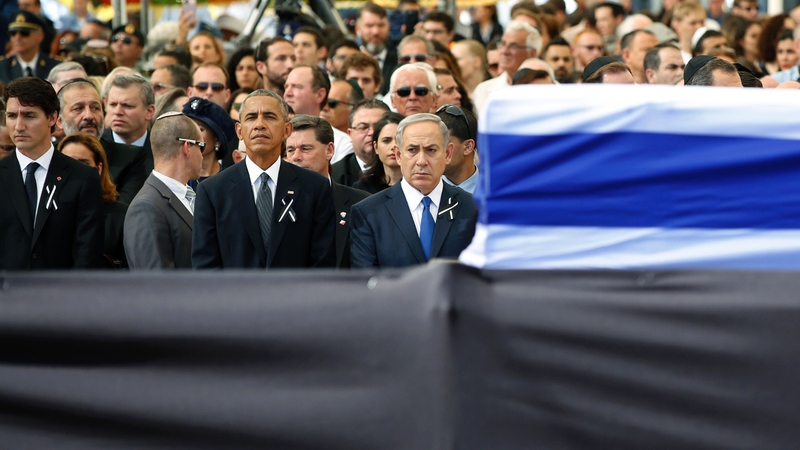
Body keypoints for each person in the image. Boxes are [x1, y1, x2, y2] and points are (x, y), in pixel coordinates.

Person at [192, 90, 337, 269]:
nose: (259, 124)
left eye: (269, 117)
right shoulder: (212, 191)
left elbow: (322, 264)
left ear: (287, 130)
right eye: (252, 117)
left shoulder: (315, 187)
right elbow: (206, 265)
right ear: (239, 130)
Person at [0, 77, 104, 270]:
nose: (18, 126)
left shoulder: (83, 178)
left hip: (62, 295)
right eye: (12, 116)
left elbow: (87, 255)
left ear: (52, 118)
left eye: (29, 116)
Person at [350, 114, 477, 268]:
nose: (421, 161)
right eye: (412, 150)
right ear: (398, 155)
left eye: (431, 150)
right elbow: (366, 280)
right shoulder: (369, 213)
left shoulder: (473, 208)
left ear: (448, 154)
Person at [286, 114, 369, 268]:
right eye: (290, 150)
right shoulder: (276, 203)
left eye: (305, 148)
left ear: (329, 150)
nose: (296, 157)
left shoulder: (361, 204)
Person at [124, 112, 203, 269]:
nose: (202, 155)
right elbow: (154, 284)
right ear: (187, 147)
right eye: (201, 147)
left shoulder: (196, 194)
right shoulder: (146, 208)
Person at [57, 78, 148, 205]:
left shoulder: (129, 158)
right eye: (78, 108)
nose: (89, 115)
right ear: (59, 120)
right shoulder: (48, 157)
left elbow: (122, 214)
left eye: (95, 108)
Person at [58, 132, 128, 268]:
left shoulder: (122, 216)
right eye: (68, 163)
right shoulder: (44, 211)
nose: (75, 170)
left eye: (83, 164)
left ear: (99, 169)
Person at [284, 64, 354, 164]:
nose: (287, 93)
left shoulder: (342, 145)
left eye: (297, 87)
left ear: (320, 95)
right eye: (286, 87)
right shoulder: (275, 135)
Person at [472, 21, 541, 113]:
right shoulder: (483, 91)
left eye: (514, 46)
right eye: (503, 44)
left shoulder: (550, 90)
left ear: (532, 53)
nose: (504, 51)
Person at [103, 74, 156, 172]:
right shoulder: (93, 149)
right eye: (113, 104)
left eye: (127, 106)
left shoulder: (162, 153)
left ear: (149, 111)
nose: (118, 112)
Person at [333, 99, 390, 187]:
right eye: (363, 127)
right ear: (350, 134)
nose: (371, 132)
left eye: (379, 126)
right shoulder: (334, 176)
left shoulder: (404, 170)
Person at [182, 97, 237, 184]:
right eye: (189, 127)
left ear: (218, 140)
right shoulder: (177, 178)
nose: (191, 134)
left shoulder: (231, 181)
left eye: (200, 129)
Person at [0, 11, 61, 86]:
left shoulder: (55, 66)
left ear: (40, 36)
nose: (17, 37)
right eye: (13, 33)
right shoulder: (2, 68)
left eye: (24, 33)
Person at [353, 111, 404, 194]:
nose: (394, 146)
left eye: (399, 140)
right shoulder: (361, 188)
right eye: (386, 141)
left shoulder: (421, 185)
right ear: (376, 147)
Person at [356, 2, 396, 95]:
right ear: (358, 28)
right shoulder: (347, 61)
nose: (376, 32)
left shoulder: (399, 60)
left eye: (381, 25)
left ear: (389, 28)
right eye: (369, 26)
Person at [436, 104, 478, 194]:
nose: (434, 152)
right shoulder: (423, 190)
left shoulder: (494, 193)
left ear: (468, 146)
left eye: (442, 143)